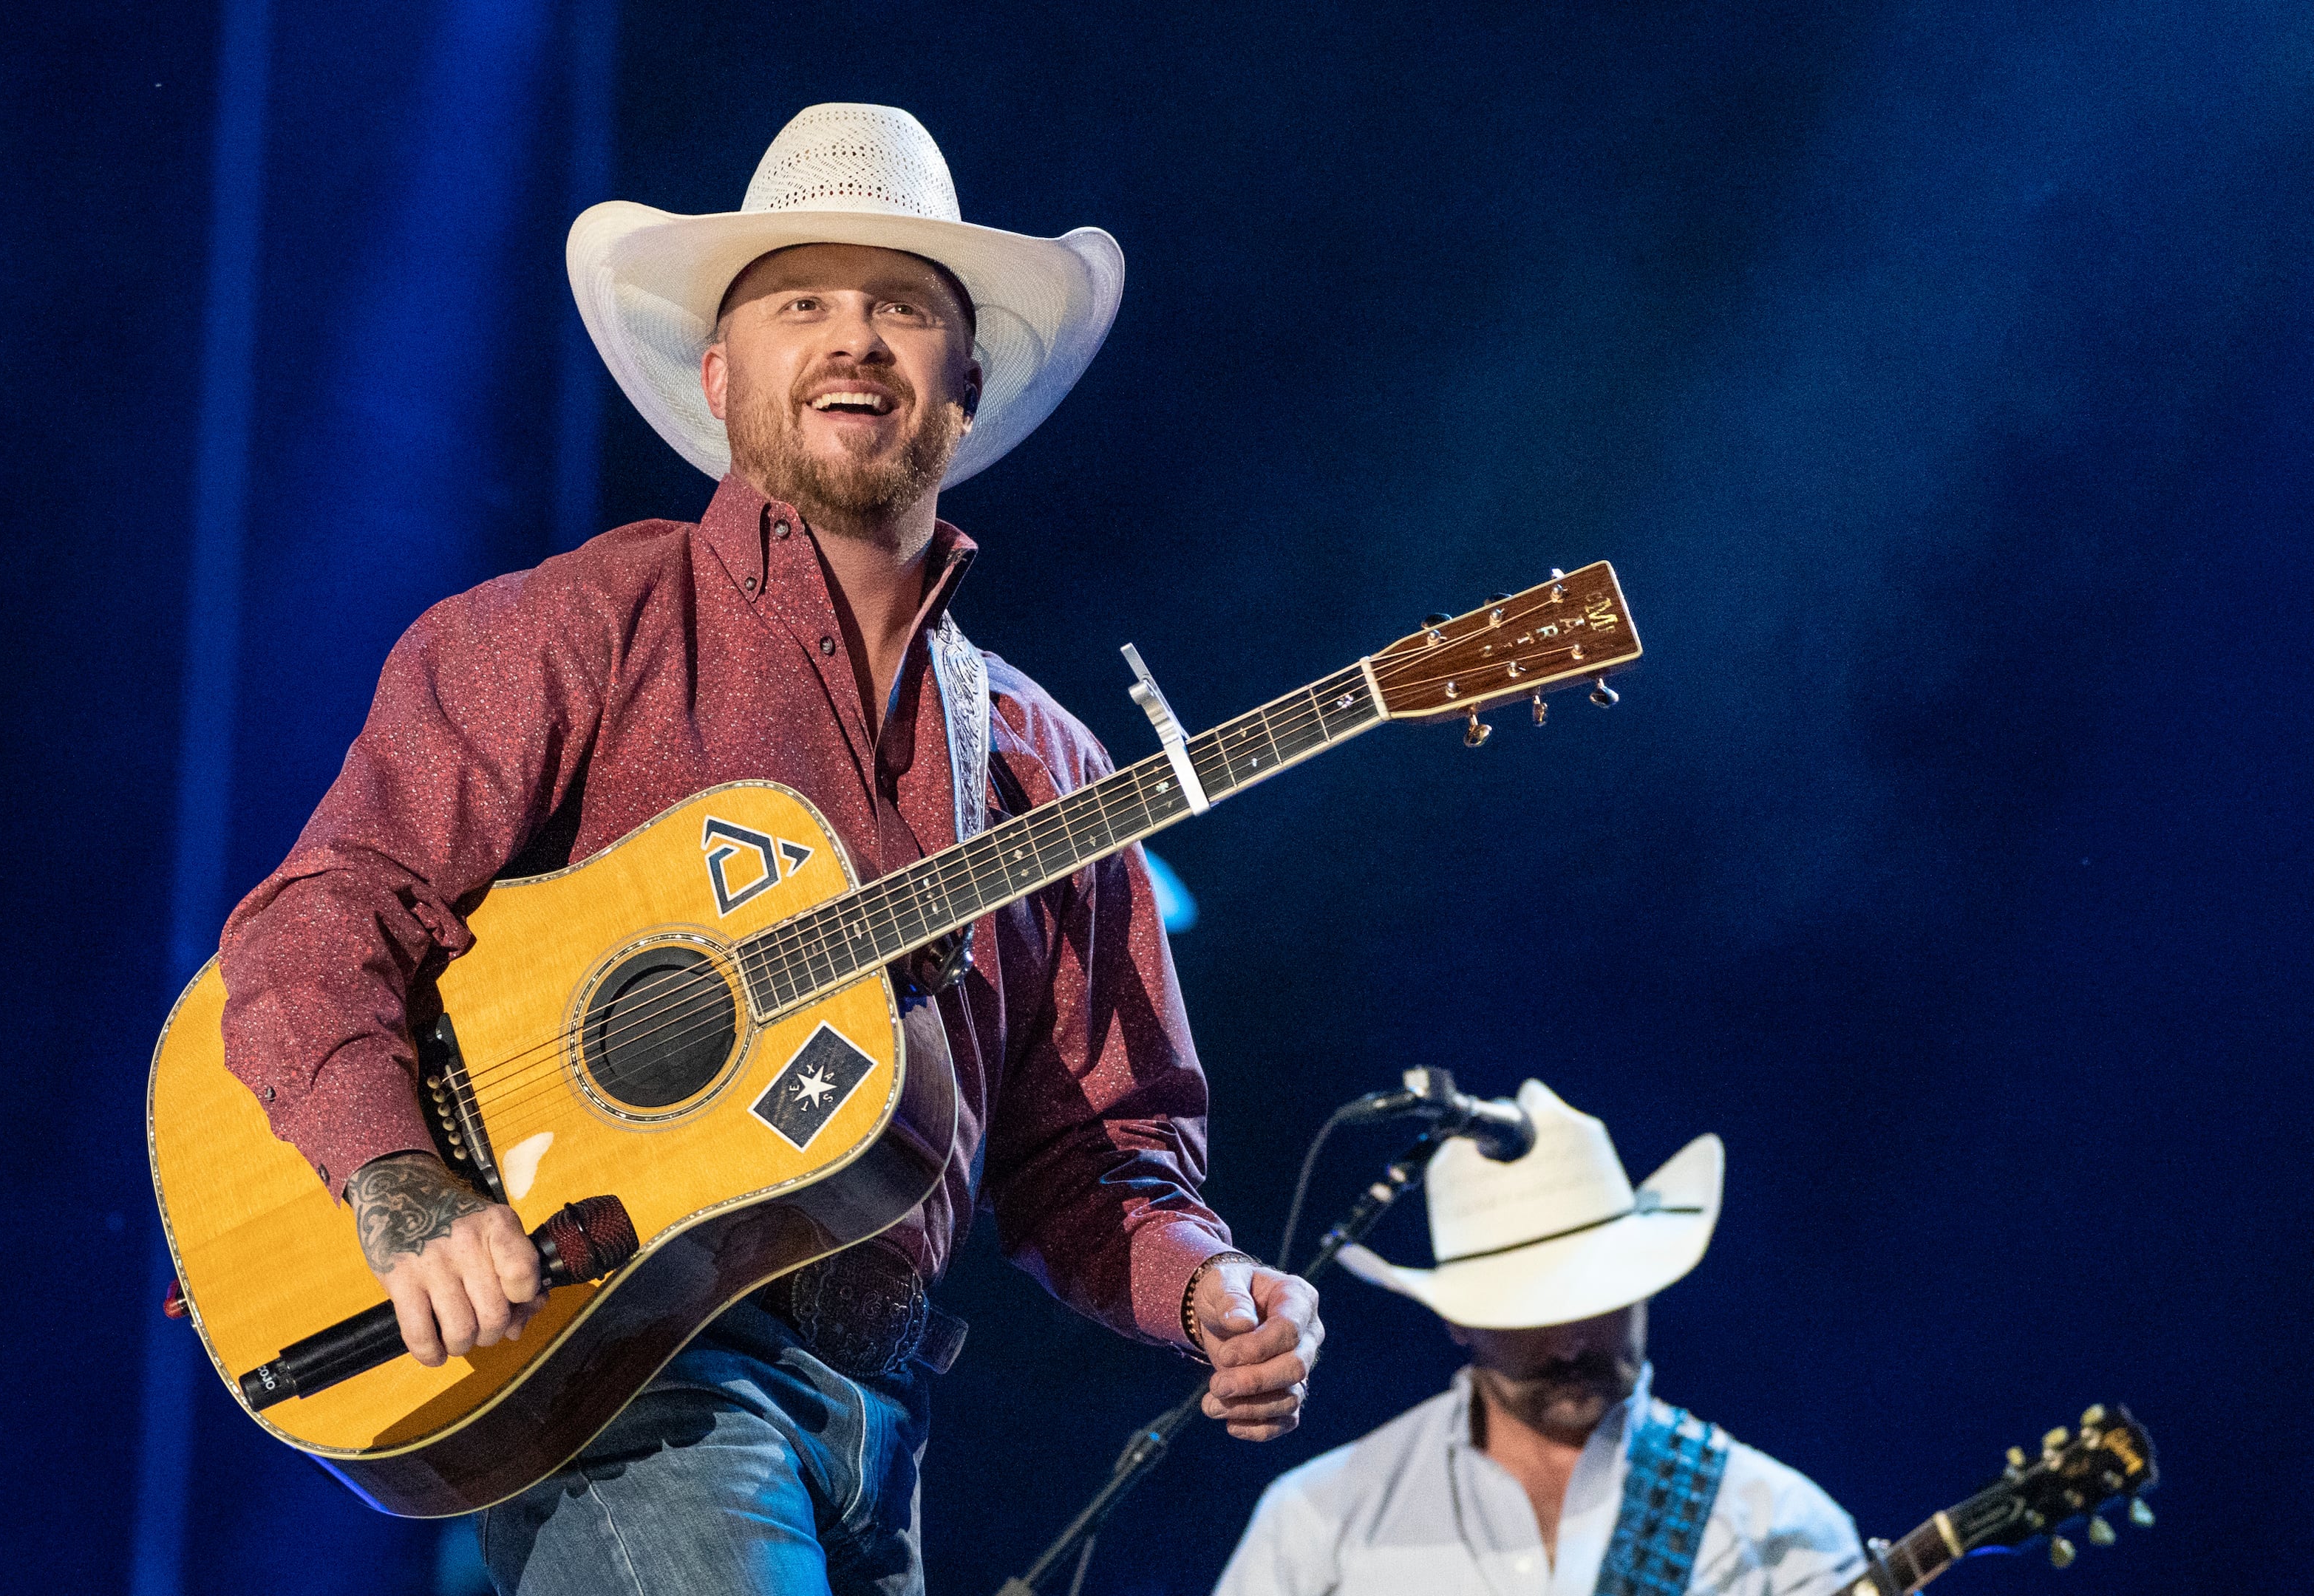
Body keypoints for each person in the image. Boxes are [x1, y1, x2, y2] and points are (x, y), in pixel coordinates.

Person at [217, 103, 1322, 1595]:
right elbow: (318, 922)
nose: (854, 339)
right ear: (724, 376)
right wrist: (402, 1180)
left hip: (884, 1428)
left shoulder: (1048, 768)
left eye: (903, 308)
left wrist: (1209, 1287)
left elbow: (1102, 1149)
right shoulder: (568, 637)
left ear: (967, 383)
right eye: (804, 302)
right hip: (624, 1372)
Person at [1214, 1081, 1864, 1596]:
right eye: (1529, 1316)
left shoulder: (1784, 1528)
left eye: (1601, 1302)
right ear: (1458, 1318)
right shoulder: (1317, 1518)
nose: (1570, 1345)